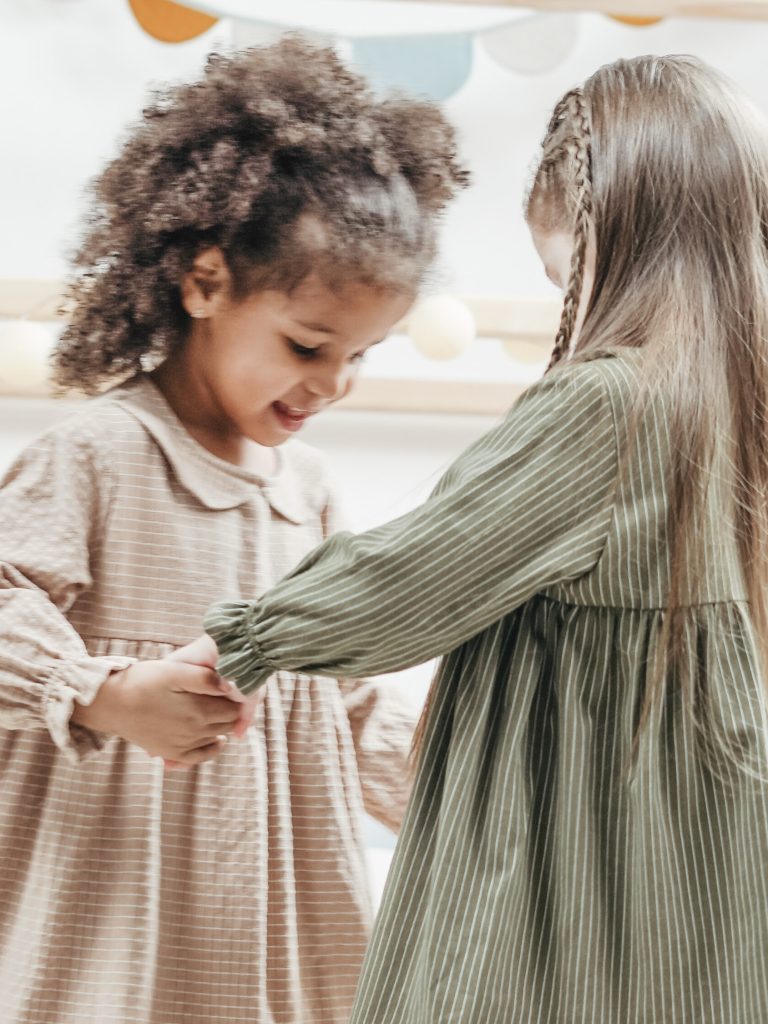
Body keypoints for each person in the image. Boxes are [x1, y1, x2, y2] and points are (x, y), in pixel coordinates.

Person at [205, 55, 768, 1023]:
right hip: (690, 870)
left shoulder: (611, 404)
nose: (572, 312)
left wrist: (244, 639)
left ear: (610, 246)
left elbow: (415, 574)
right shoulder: (736, 412)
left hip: (561, 859)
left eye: (566, 280)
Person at [0, 36, 468, 1024]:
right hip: (113, 903)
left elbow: (337, 712)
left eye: (360, 357)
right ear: (207, 282)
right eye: (308, 346)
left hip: (277, 923)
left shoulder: (311, 488)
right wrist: (104, 692)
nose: (334, 384)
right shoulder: (97, 454)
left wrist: (459, 776)